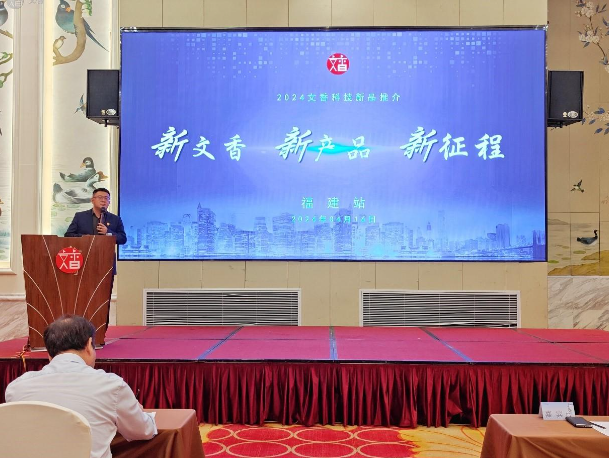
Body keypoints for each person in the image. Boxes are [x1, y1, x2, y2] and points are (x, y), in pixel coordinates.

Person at [5, 315, 157, 458]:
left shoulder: (16, 388)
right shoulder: (111, 386)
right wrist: (140, 412)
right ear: (89, 345)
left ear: (49, 353)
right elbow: (143, 431)